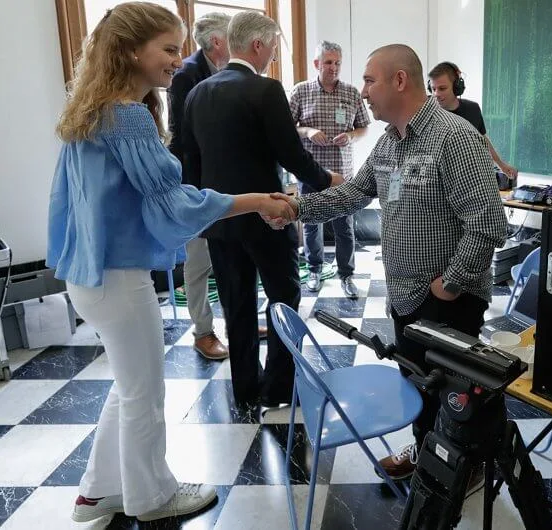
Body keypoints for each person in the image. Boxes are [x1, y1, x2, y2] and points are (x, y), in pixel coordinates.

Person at [47, 2, 294, 523]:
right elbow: (175, 203)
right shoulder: (127, 116)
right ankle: (151, 497)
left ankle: (98, 491)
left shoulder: (92, 112)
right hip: (117, 279)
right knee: (145, 394)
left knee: (128, 385)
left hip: (88, 276)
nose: (179, 60)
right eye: (168, 48)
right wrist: (256, 199)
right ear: (132, 51)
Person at [264, 44, 507, 488]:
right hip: (406, 296)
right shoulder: (388, 142)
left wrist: (450, 285)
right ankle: (427, 450)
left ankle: (466, 467)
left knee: (457, 395)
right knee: (419, 385)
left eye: (370, 80)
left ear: (400, 81)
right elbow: (352, 195)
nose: (363, 91)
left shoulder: (454, 138)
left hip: (447, 300)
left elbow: (489, 224)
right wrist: (296, 209)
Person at [182, 10, 343, 406]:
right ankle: (278, 389)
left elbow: (191, 165)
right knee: (283, 298)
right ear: (257, 45)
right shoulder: (266, 90)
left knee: (236, 306)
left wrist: (204, 216)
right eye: (272, 46)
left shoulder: (196, 93)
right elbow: (292, 156)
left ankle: (245, 389)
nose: (273, 54)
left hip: (220, 220)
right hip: (267, 219)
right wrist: (330, 182)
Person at [168, 12, 235, 360]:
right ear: (217, 42)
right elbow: (182, 138)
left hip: (223, 185)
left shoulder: (226, 70)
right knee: (197, 266)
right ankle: (203, 332)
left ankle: (237, 321)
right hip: (194, 187)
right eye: (232, 35)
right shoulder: (185, 76)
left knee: (230, 258)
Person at [290, 41, 370, 298]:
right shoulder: (301, 91)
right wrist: (308, 131)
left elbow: (363, 127)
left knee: (344, 226)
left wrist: (352, 137)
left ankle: (346, 275)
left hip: (341, 172)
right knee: (311, 224)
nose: (333, 67)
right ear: (317, 64)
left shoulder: (351, 93)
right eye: (328, 62)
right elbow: (289, 128)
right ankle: (314, 270)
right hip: (311, 171)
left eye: (337, 63)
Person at [428, 61, 518, 179]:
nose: (436, 94)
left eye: (442, 88)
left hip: (468, 177)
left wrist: (501, 164)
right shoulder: (427, 113)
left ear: (457, 87)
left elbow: (483, 140)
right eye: (433, 89)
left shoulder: (472, 109)